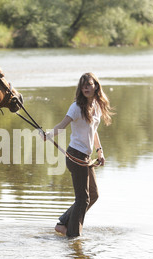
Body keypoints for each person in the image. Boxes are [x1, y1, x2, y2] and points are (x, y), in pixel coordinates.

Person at [43, 73, 113, 237]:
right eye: (83, 86)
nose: (86, 88)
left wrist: (99, 151)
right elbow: (62, 125)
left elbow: (93, 131)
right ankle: (73, 236)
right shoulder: (76, 107)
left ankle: (64, 222)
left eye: (88, 84)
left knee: (93, 195)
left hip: (87, 158)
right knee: (83, 199)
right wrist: (48, 135)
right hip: (75, 156)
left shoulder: (95, 106)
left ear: (95, 85)